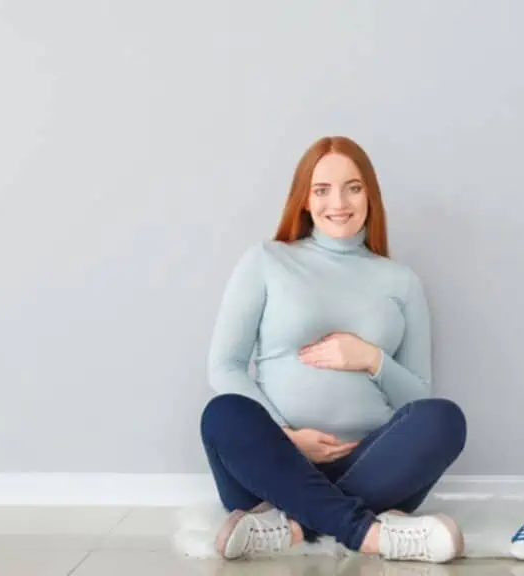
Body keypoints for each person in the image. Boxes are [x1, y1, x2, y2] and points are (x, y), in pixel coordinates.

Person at [199, 136, 468, 564]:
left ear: (370, 196)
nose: (338, 202)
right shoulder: (267, 260)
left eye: (353, 187)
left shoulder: (402, 282)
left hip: (372, 469)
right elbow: (224, 366)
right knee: (224, 413)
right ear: (304, 199)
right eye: (322, 189)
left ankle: (291, 528)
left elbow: (418, 397)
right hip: (272, 468)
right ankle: (369, 534)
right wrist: (286, 438)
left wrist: (371, 359)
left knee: (445, 420)